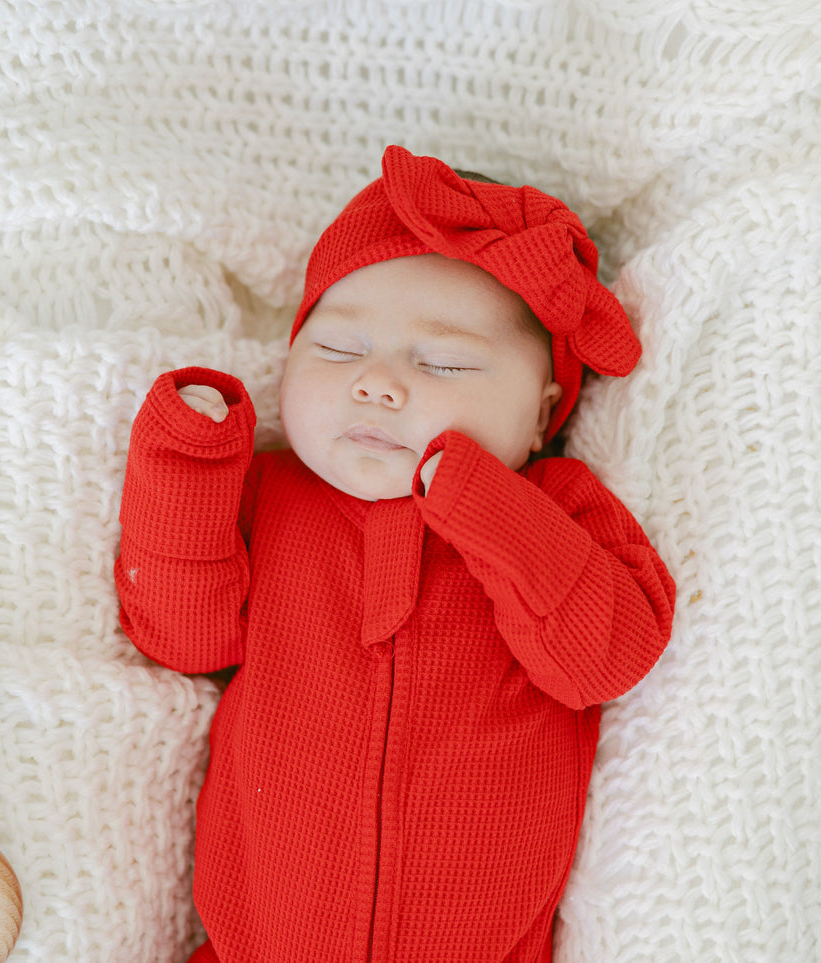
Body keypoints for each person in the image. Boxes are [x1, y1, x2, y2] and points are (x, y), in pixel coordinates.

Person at [115, 145, 675, 963]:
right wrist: (186, 464)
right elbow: (182, 638)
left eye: (441, 361)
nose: (375, 384)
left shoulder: (559, 512)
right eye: (337, 350)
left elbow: (605, 658)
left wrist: (483, 503)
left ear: (541, 413)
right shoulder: (274, 499)